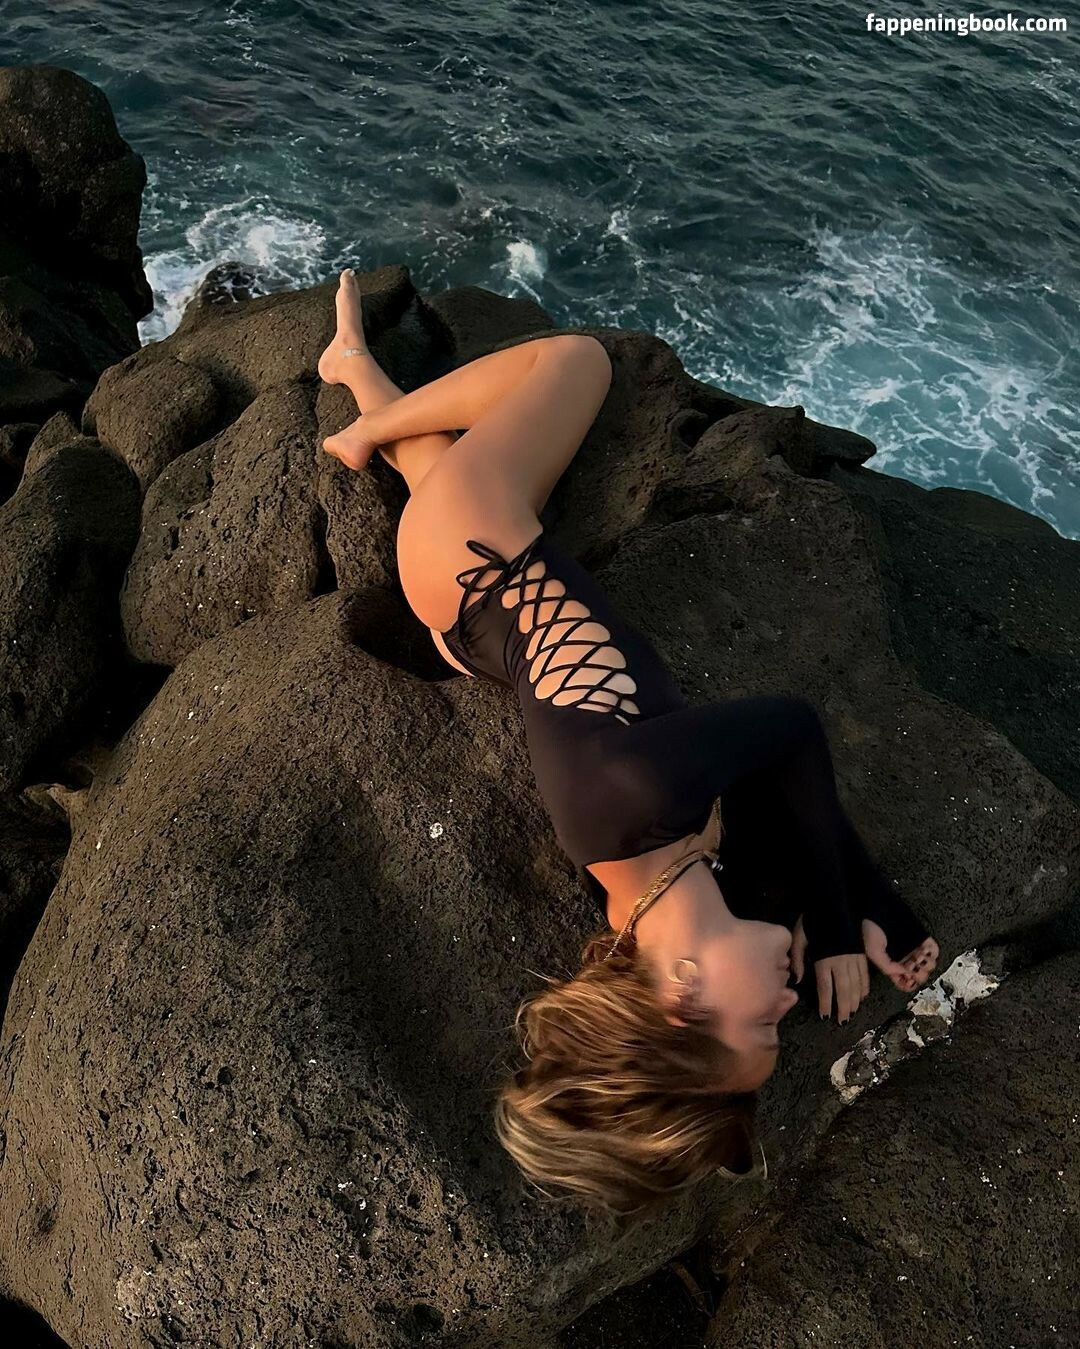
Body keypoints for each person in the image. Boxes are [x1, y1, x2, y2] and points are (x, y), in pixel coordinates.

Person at [318, 269, 939, 1220]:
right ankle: (358, 373)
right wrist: (866, 912)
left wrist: (836, 909)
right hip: (481, 632)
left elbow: (793, 734)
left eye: (762, 1025)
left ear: (684, 991)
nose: (788, 1006)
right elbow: (781, 803)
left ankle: (364, 420)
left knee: (579, 363)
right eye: (786, 1027)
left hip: (475, 560)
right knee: (439, 459)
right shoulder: (653, 906)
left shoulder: (636, 795)